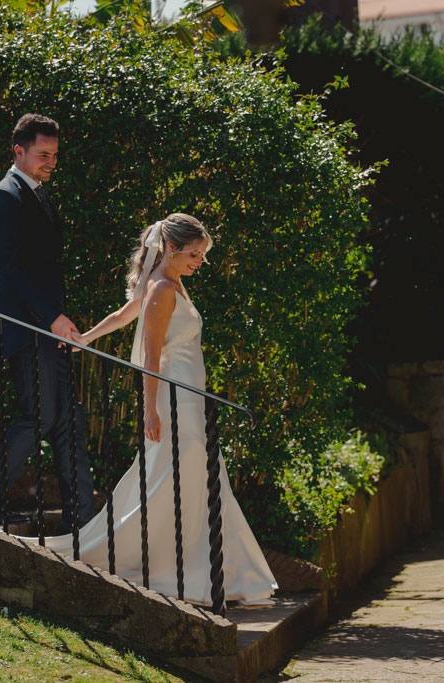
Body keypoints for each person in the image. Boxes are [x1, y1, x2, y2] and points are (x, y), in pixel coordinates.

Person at [44, 213, 277, 608]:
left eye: (202, 255)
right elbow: (150, 356)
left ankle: (205, 572)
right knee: (177, 483)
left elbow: (121, 316)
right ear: (170, 248)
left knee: (191, 483)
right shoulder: (162, 290)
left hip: (190, 399)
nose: (199, 261)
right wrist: (150, 410)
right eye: (193, 254)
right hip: (175, 402)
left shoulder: (170, 283)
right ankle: (180, 570)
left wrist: (86, 337)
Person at [0, 113, 96, 534]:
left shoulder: (39, 194)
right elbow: (8, 272)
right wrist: (52, 318)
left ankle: (81, 518)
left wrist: (59, 322)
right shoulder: (3, 197)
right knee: (40, 417)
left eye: (55, 155)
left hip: (50, 329)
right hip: (26, 329)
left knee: (68, 420)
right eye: (44, 155)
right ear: (19, 151)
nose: (51, 162)